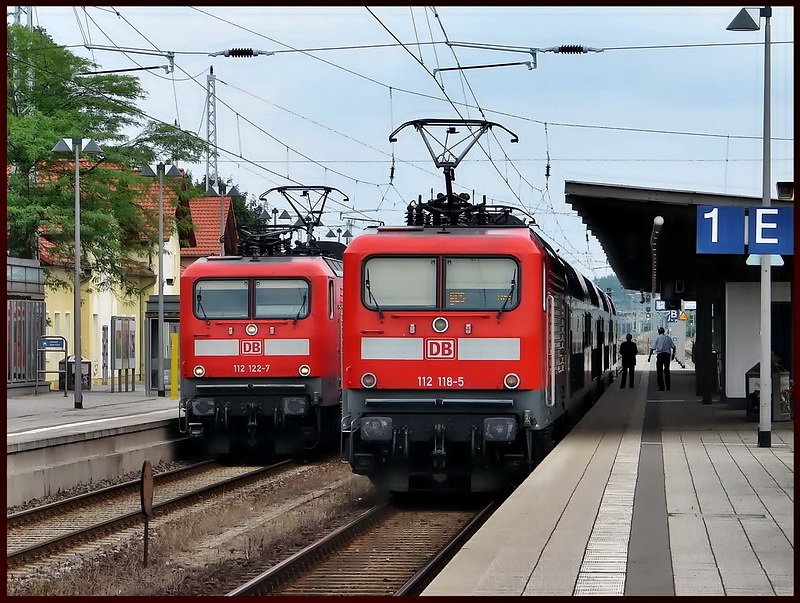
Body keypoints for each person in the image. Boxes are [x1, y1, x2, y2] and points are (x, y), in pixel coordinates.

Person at [648, 327, 676, 391]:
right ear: (663, 331)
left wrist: (649, 357)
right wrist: (673, 355)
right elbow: (674, 347)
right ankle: (668, 386)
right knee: (667, 371)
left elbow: (652, 348)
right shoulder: (668, 338)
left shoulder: (657, 338)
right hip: (667, 355)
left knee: (659, 372)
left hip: (660, 355)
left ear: (658, 332)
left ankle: (661, 387)